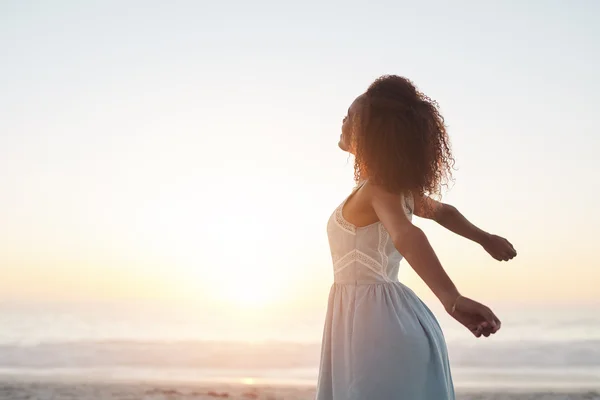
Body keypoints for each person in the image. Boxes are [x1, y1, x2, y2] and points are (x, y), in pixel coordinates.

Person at [316, 75, 517, 400]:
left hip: (375, 326)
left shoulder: (380, 190)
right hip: (378, 319)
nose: (343, 120)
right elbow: (442, 212)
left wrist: (451, 299)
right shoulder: (390, 190)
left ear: (371, 134)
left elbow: (407, 234)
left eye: (351, 116)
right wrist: (485, 238)